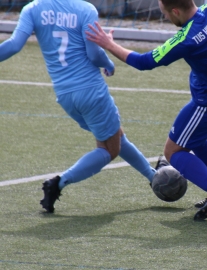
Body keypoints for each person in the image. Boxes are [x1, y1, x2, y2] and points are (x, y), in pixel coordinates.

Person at [86, 0, 207, 221]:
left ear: (175, 11)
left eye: (165, 14)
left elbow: (144, 62)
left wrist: (108, 44)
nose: (167, 19)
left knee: (173, 151)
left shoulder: (186, 39)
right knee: (196, 140)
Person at [0, 0, 159, 213]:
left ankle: (153, 176)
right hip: (91, 91)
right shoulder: (85, 9)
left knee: (115, 136)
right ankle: (58, 183)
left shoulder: (32, 9)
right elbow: (94, 54)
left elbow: (14, 44)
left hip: (65, 96)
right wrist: (109, 64)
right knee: (109, 149)